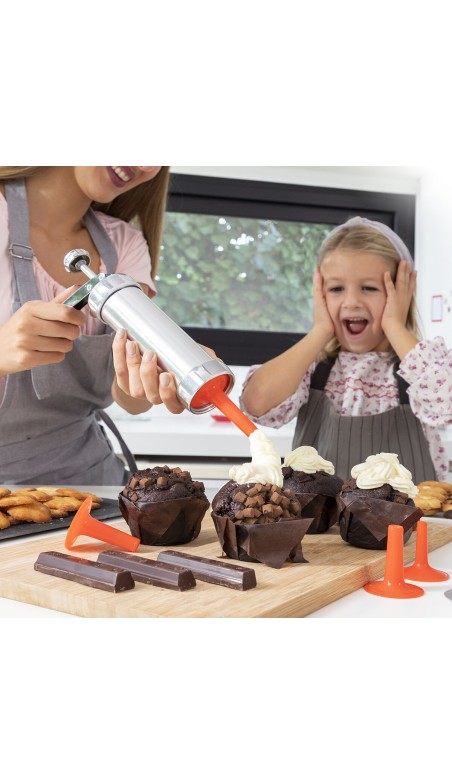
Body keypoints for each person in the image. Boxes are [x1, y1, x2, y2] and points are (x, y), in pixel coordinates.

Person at [0, 166, 186, 486]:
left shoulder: (124, 245)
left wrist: (153, 379)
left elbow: (131, 399)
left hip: (91, 478)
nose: (142, 163)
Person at [240, 216, 452, 483]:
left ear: (402, 292)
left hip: (409, 523)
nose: (351, 301)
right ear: (320, 294)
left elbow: (446, 403)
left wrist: (394, 324)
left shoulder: (416, 370)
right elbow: (257, 402)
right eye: (336, 288)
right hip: (320, 525)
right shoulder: (314, 370)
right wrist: (320, 331)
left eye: (369, 288)